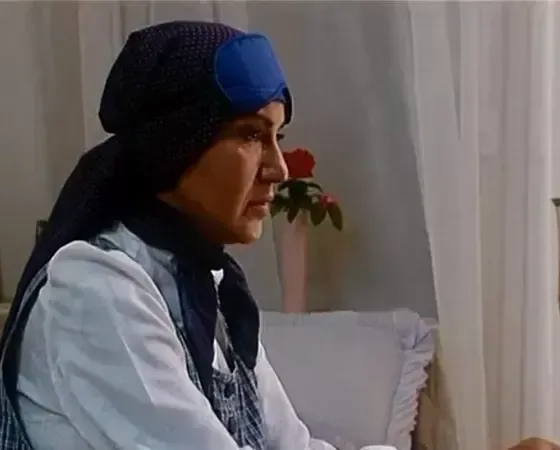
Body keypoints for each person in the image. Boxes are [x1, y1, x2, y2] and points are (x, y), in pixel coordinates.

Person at [0, 21, 357, 450]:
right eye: (251, 135)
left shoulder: (211, 289)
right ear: (177, 145)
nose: (279, 169)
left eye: (277, 137)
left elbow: (293, 446)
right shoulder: (94, 287)